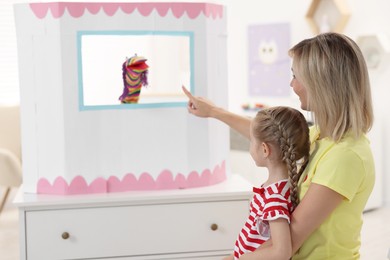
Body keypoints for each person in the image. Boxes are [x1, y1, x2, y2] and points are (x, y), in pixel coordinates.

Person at [182, 32, 375, 259]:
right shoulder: (322, 136)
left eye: (296, 76)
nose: (292, 84)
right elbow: (272, 137)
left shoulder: (345, 157)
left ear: (321, 83)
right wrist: (215, 112)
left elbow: (287, 243)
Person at [228, 106, 310, 260]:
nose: (250, 146)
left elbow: (281, 252)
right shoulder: (281, 189)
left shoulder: (275, 199)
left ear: (265, 149)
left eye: (252, 141)